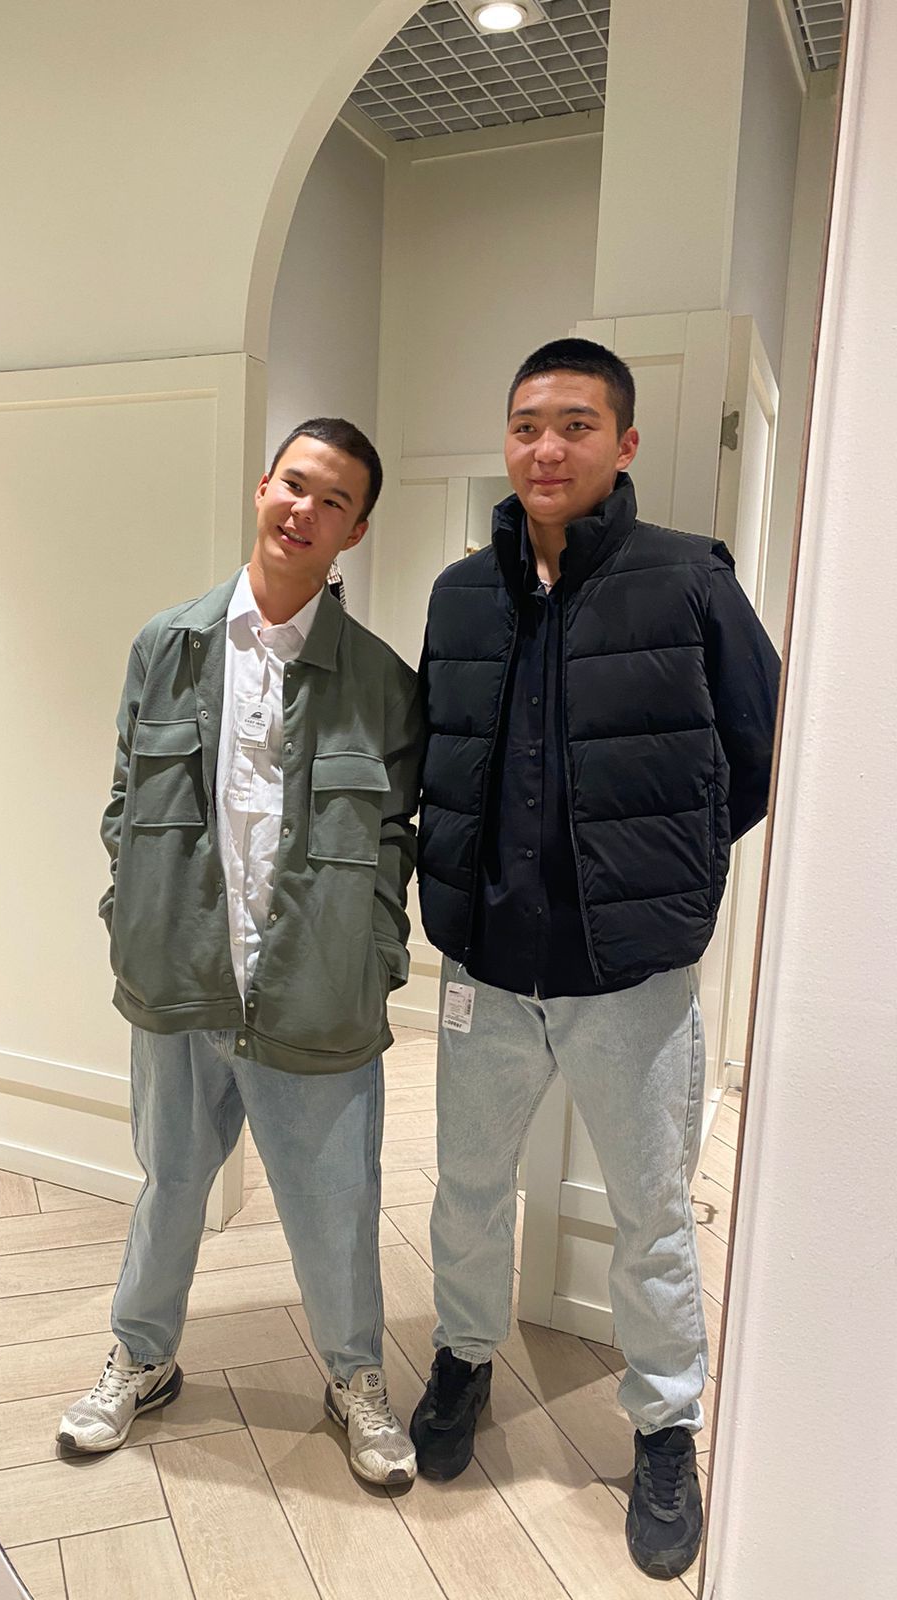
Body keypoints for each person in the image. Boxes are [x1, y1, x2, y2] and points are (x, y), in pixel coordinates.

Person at [410, 339, 780, 1578]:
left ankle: (666, 1425)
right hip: (484, 967)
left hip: (631, 977)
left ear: (623, 443)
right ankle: (464, 1357)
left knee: (653, 1213)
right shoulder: (461, 592)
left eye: (575, 424)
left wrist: (668, 867)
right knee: (468, 1189)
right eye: (527, 424)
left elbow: (758, 751)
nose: (546, 447)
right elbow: (440, 747)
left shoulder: (689, 579)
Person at [58, 417, 425, 1486]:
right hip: (180, 976)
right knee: (171, 1181)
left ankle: (355, 1377)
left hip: (317, 989)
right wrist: (129, 913)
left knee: (336, 1201)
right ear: (264, 487)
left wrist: (376, 959)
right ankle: (140, 1356)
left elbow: (395, 839)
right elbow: (125, 799)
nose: (304, 511)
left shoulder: (382, 680)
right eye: (293, 485)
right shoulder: (166, 647)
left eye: (333, 500)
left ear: (355, 530)